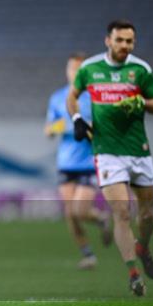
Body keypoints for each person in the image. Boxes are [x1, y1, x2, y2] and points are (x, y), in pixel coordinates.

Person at [67, 20, 153, 296]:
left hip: (138, 151)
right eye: (119, 40)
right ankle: (134, 274)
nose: (124, 46)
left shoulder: (140, 70)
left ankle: (143, 246)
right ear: (108, 40)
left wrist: (142, 102)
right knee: (122, 212)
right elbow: (72, 96)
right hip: (107, 152)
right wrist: (76, 119)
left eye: (129, 41)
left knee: (146, 214)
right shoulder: (91, 69)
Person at [45, 53, 112, 270]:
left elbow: (106, 128)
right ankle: (88, 254)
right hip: (66, 163)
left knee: (79, 210)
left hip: (89, 162)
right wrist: (65, 126)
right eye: (71, 69)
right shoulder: (57, 98)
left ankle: (101, 219)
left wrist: (89, 128)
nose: (74, 73)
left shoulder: (94, 97)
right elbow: (49, 129)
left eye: (79, 69)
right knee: (69, 212)